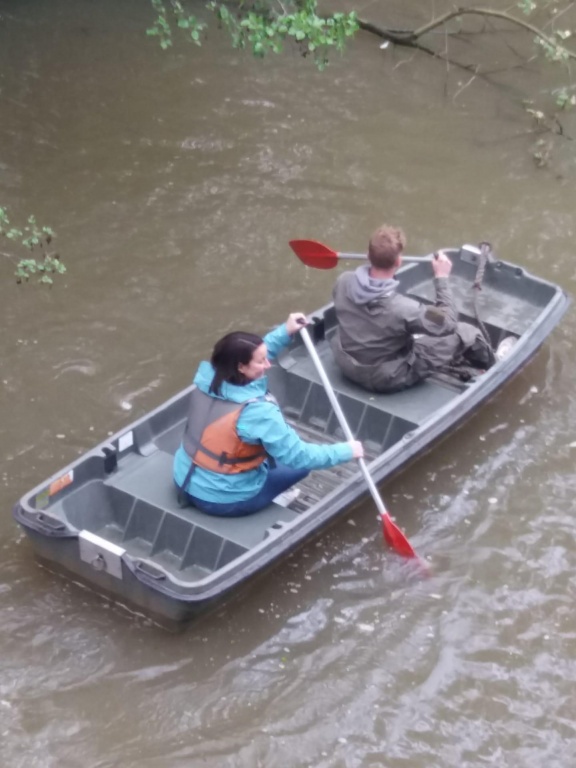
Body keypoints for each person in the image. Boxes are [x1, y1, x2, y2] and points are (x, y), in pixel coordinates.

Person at [173, 312, 364, 517]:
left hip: (182, 479)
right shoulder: (258, 412)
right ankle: (272, 495)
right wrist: (346, 451)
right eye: (261, 361)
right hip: (224, 501)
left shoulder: (208, 377)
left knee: (258, 444)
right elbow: (300, 457)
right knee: (298, 467)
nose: (268, 365)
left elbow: (251, 354)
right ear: (241, 367)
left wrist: (285, 331)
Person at [331, 224, 495, 393]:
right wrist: (442, 278)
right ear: (399, 261)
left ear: (368, 256)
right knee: (467, 331)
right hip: (384, 377)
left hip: (345, 363)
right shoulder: (406, 308)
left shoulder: (344, 281)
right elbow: (449, 321)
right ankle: (495, 367)